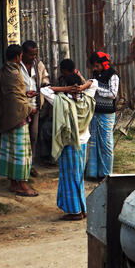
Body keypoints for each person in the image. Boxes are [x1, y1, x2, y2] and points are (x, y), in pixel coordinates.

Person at [40, 59, 96, 220]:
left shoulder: (63, 100)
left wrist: (65, 89)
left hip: (70, 144)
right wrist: (82, 87)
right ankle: (82, 208)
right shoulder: (87, 98)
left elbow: (45, 91)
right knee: (78, 176)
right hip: (84, 142)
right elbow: (94, 83)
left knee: (69, 176)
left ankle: (75, 211)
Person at [0, 44, 37, 196]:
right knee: (21, 152)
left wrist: (26, 94)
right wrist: (29, 109)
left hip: (8, 117)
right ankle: (22, 186)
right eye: (20, 56)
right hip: (17, 118)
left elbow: (13, 93)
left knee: (10, 150)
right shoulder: (13, 72)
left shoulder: (4, 69)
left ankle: (13, 183)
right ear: (17, 57)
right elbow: (14, 98)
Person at [86, 51, 119, 180]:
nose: (95, 68)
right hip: (95, 112)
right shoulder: (95, 74)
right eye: (94, 66)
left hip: (107, 114)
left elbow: (113, 94)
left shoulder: (113, 75)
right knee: (94, 143)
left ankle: (106, 174)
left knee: (106, 144)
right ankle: (94, 173)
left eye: (97, 66)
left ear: (103, 63)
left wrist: (96, 88)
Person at [20, 40, 51, 175]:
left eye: (35, 54)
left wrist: (45, 84)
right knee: (22, 137)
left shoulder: (38, 64)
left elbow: (45, 77)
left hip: (35, 106)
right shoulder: (16, 66)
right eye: (31, 54)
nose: (33, 57)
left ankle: (30, 165)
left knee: (33, 136)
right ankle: (21, 166)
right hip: (21, 107)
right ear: (23, 53)